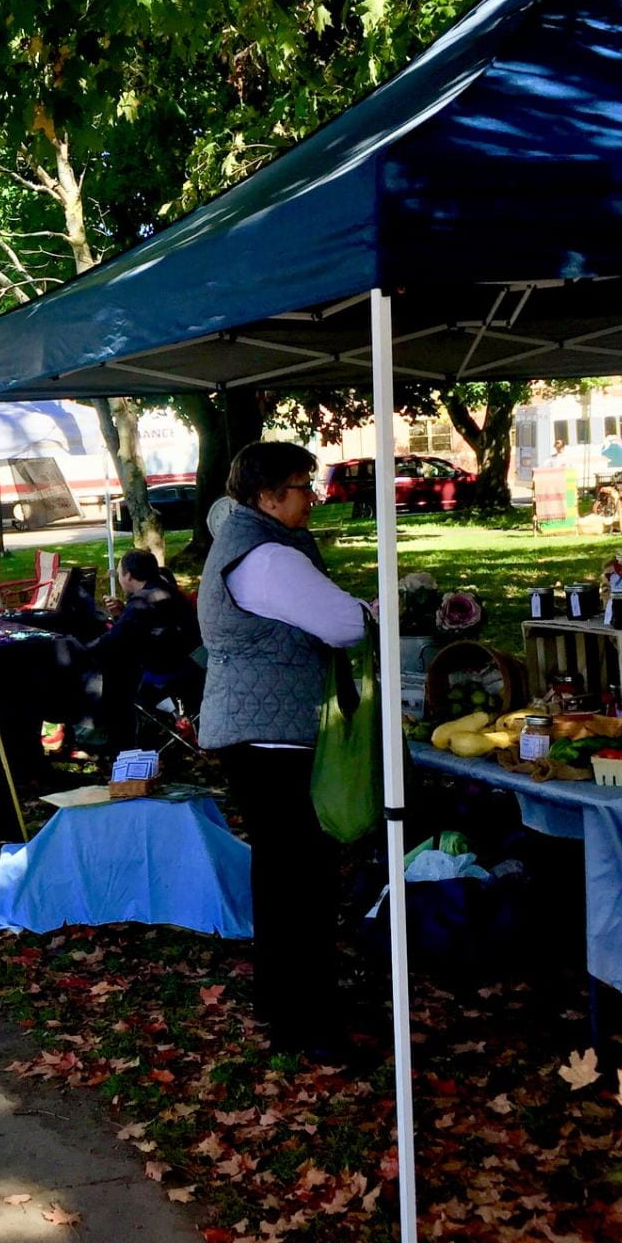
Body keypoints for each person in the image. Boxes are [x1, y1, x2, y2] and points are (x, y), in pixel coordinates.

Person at [199, 441, 372, 1059]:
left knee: (283, 878)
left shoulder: (240, 530)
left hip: (254, 734)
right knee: (301, 881)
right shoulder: (268, 557)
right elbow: (345, 624)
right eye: (303, 486)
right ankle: (308, 1021)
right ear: (267, 497)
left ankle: (286, 1004)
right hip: (273, 740)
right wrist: (374, 611)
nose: (313, 498)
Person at [84, 549, 202, 748]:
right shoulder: (167, 591)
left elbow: (114, 642)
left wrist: (80, 650)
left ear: (128, 575)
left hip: (165, 675)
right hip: (191, 667)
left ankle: (114, 742)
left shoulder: (142, 601)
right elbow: (143, 630)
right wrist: (123, 614)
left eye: (119, 574)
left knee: (105, 674)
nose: (120, 579)